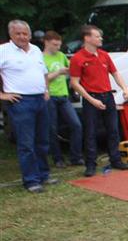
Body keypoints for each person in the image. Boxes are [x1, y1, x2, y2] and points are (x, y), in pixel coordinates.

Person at [69, 25, 128, 176]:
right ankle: (90, 164)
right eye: (97, 36)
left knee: (113, 130)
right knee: (90, 132)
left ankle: (115, 159)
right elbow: (75, 83)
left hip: (107, 96)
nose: (100, 39)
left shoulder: (104, 55)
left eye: (100, 36)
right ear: (87, 38)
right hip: (91, 97)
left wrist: (124, 88)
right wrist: (91, 99)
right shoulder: (78, 58)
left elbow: (115, 73)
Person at [0, 20, 55, 193]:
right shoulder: (3, 51)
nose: (22, 37)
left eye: (25, 33)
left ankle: (44, 174)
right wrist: (2, 95)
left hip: (40, 99)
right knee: (26, 143)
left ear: (30, 35)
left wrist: (46, 89)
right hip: (20, 101)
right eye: (18, 33)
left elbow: (44, 72)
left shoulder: (36, 50)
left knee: (42, 140)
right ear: (11, 34)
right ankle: (31, 180)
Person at [42, 30, 83, 167]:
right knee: (52, 128)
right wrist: (59, 72)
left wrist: (72, 75)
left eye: (59, 45)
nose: (58, 48)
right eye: (55, 45)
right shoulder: (40, 58)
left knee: (76, 125)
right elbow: (43, 78)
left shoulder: (61, 55)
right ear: (46, 42)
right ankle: (57, 158)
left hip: (64, 95)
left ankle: (75, 156)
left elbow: (71, 69)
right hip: (50, 96)